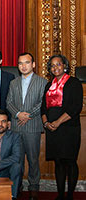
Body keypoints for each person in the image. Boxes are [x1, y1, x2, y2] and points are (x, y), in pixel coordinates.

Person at [41, 55, 83, 200]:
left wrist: (58, 122)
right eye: (52, 66)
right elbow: (43, 108)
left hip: (68, 128)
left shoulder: (74, 83)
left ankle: (70, 195)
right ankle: (60, 195)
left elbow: (75, 107)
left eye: (58, 64)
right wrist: (46, 123)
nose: (55, 68)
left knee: (70, 161)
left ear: (64, 66)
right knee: (58, 162)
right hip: (52, 129)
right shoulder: (48, 85)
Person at [6, 52, 47, 199]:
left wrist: (28, 115)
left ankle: (34, 187)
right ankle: (17, 186)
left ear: (33, 64)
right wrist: (18, 114)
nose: (23, 66)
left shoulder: (42, 82)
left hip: (32, 126)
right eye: (20, 63)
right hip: (16, 126)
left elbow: (42, 103)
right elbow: (8, 102)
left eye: (27, 62)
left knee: (33, 159)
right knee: (16, 159)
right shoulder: (13, 82)